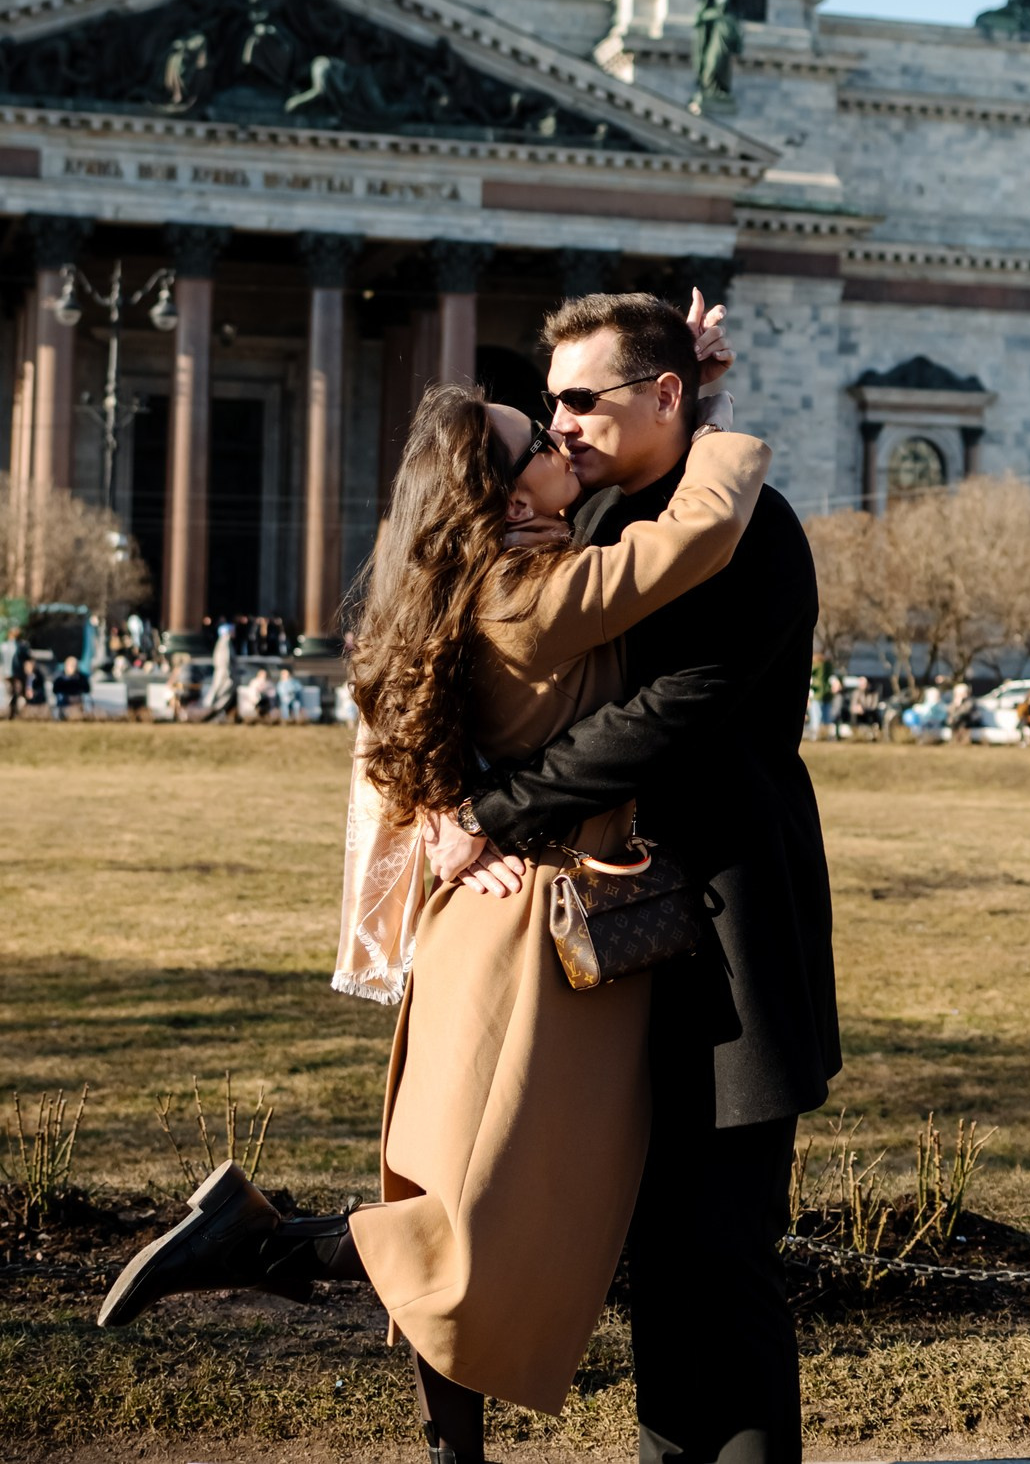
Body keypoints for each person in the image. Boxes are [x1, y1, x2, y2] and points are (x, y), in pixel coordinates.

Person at [97, 296, 775, 1462]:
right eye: (539, 435)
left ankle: (436, 1440)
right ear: (509, 497)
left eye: (567, 413)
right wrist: (719, 426)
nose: (564, 440)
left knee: (446, 1202)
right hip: (536, 942)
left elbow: (619, 500)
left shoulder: (492, 577)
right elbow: (697, 532)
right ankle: (259, 1245)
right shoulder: (534, 595)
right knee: (476, 1227)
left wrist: (682, 382)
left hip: (478, 923)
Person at [431, 291, 841, 1464]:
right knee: (659, 1264)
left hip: (730, 939)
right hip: (625, 943)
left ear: (665, 398)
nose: (556, 424)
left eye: (577, 399)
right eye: (549, 399)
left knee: (721, 1259)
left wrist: (497, 815)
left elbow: (679, 711)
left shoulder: (749, 530)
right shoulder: (606, 514)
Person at [51, 655, 92, 720]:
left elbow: (87, 690)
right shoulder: (60, 678)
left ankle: (88, 716)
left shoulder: (81, 677)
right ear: (66, 666)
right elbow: (55, 690)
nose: (74, 667)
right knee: (60, 696)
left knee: (86, 697)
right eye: (72, 665)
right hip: (65, 698)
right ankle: (58, 716)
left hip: (78, 697)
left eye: (75, 665)